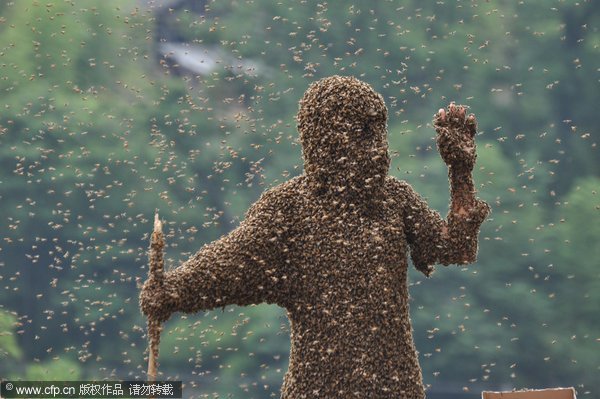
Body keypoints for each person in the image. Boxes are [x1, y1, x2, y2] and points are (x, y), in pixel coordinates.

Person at [140, 75, 490, 398]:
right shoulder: (288, 210)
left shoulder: (395, 199)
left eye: (380, 132)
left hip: (397, 388)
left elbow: (455, 248)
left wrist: (461, 172)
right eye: (364, 132)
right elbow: (228, 263)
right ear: (325, 138)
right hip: (316, 388)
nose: (379, 148)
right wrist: (171, 291)